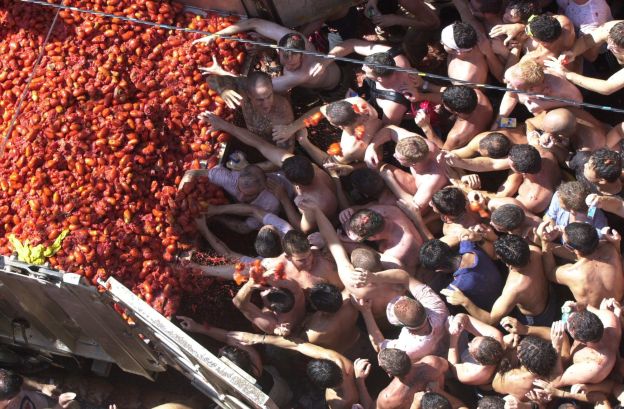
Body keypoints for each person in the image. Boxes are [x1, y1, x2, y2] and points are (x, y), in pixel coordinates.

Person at [200, 112, 337, 233]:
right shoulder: (302, 166)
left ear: (296, 185)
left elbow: (302, 229)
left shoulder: (315, 203)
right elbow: (259, 143)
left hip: (329, 227)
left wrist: (283, 198)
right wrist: (224, 125)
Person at [194, 18, 349, 101]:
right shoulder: (296, 39)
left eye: (294, 62)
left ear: (303, 54)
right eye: (284, 57)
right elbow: (254, 23)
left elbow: (257, 88)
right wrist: (216, 35)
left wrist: (221, 71)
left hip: (335, 88)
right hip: (329, 70)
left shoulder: (299, 75)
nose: (288, 64)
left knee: (300, 98)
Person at [176, 316, 293, 407]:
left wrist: (199, 328)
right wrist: (198, 327)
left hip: (274, 393)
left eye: (220, 354)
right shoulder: (255, 363)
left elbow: (228, 337)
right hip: (276, 389)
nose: (220, 349)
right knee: (285, 394)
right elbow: (228, 337)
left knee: (284, 397)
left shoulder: (232, 385)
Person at [227, 331, 358, 409]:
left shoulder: (339, 402)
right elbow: (297, 345)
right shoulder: (338, 360)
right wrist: (257, 338)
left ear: (320, 386)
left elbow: (298, 345)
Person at [448, 234, 556, 326]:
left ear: (508, 264)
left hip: (537, 320)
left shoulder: (514, 289)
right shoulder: (535, 251)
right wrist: (480, 239)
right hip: (550, 299)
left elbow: (491, 320)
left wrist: (464, 301)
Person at [203, 70, 298, 171]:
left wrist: (248, 167)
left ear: (272, 88)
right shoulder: (244, 86)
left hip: (268, 151)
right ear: (249, 93)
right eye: (259, 100)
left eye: (269, 96)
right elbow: (210, 79)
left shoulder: (282, 113)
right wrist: (223, 90)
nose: (266, 104)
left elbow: (284, 159)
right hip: (248, 138)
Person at [365, 126, 448, 233]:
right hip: (417, 187)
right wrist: (371, 147)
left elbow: (413, 209)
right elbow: (389, 130)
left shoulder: (432, 179)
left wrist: (391, 181)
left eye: (398, 158)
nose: (394, 155)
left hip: (430, 207)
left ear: (413, 163)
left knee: (390, 204)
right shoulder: (415, 143)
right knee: (382, 168)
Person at [352, 271, 449, 362]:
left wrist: (366, 312)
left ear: (401, 324)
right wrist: (374, 276)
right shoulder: (436, 307)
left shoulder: (408, 347)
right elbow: (406, 278)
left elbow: (380, 346)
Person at [179, 164, 286, 234]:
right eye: (239, 191)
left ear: (263, 189)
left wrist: (217, 217)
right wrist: (181, 195)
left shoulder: (271, 203)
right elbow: (192, 173)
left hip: (285, 187)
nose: (242, 197)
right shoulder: (230, 178)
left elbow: (244, 227)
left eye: (250, 196)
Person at [540, 222, 624, 307]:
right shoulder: (611, 249)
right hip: (619, 306)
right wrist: (616, 243)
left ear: (571, 249)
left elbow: (550, 272)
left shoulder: (571, 273)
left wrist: (544, 242)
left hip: (596, 317)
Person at [277, 97, 384, 164]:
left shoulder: (351, 147)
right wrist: (291, 128)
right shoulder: (356, 103)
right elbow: (321, 110)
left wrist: (304, 142)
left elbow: (331, 163)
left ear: (340, 127)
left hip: (367, 156)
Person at [420, 236, 503, 313]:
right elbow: (464, 236)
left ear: (439, 270)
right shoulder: (470, 244)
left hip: (491, 310)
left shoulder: (454, 289)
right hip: (503, 288)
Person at [550, 300, 621, 387]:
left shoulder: (594, 366)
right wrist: (576, 305)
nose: (567, 319)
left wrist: (556, 347)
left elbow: (556, 382)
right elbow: (586, 305)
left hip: (591, 379)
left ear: (582, 341)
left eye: (569, 329)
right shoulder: (608, 317)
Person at [545, 21, 624, 95]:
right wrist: (573, 52)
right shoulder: (611, 28)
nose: (608, 47)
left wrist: (567, 74)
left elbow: (608, 87)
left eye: (616, 49)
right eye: (609, 41)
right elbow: (587, 41)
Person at [353, 351, 448, 409]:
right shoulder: (433, 363)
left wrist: (359, 381)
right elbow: (447, 366)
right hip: (440, 402)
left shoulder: (388, 397)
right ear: (406, 355)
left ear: (389, 373)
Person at [339, 205, 424, 270]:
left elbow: (374, 262)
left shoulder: (395, 253)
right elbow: (360, 212)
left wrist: (354, 242)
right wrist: (348, 212)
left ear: (373, 237)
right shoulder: (383, 211)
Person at [498, 60, 583, 118]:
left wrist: (550, 101)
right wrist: (500, 119)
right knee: (503, 123)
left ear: (533, 87)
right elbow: (510, 96)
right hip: (525, 112)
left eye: (520, 88)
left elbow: (578, 101)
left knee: (522, 125)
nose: (514, 88)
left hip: (548, 117)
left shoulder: (558, 86)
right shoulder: (512, 75)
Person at [297, 283, 362, 356]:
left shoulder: (313, 333)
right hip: (357, 339)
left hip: (340, 354)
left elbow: (297, 344)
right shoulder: (352, 302)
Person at [232, 274, 306, 336]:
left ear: (272, 307)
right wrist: (256, 276)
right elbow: (269, 273)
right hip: (300, 316)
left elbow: (238, 302)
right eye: (272, 289)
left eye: (266, 293)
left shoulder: (273, 325)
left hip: (288, 339)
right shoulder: (294, 288)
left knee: (256, 327)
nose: (266, 289)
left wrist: (250, 285)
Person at [492, 334, 559, 399]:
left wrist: (506, 348)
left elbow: (495, 386)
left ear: (520, 358)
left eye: (518, 350)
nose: (517, 346)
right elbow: (556, 334)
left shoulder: (514, 379)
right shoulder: (558, 365)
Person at [447, 313, 505, 386]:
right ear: (490, 337)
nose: (469, 343)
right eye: (473, 340)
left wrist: (454, 336)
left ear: (478, 361)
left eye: (470, 346)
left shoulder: (470, 374)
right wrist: (459, 319)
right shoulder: (497, 337)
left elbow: (452, 365)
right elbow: (466, 318)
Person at [525, 107, 607, 156]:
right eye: (545, 129)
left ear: (562, 136)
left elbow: (572, 163)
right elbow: (528, 122)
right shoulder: (555, 117)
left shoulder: (588, 146)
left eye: (549, 132)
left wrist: (554, 147)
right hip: (515, 124)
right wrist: (533, 138)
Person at [544, 181, 609, 236]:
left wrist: (565, 234)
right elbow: (550, 216)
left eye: (561, 204)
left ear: (572, 211)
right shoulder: (559, 195)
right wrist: (551, 228)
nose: (557, 200)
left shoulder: (598, 228)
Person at [0, 369, 78, 409]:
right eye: (18, 390)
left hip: (43, 400)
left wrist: (41, 387)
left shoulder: (3, 377)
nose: (21, 388)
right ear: (8, 400)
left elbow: (19, 380)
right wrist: (59, 407)